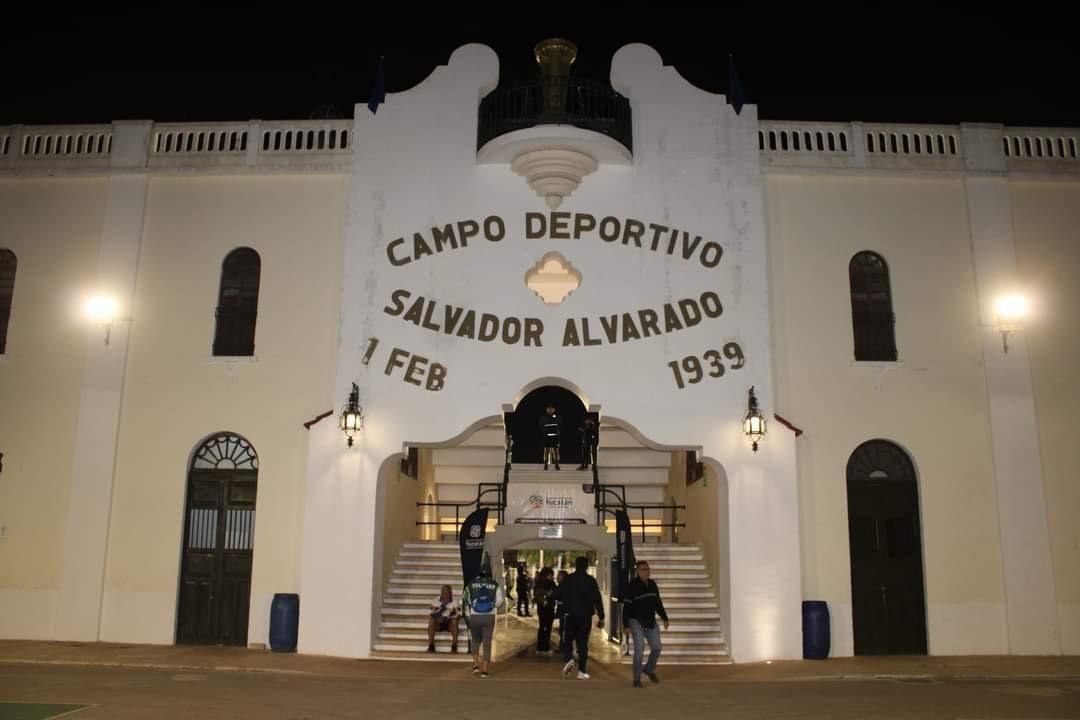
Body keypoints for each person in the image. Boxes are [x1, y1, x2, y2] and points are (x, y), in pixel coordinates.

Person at [554, 556, 605, 680]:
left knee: (568, 639)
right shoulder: (590, 580)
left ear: (576, 566)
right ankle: (581, 671)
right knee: (582, 643)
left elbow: (557, 594)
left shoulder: (568, 579)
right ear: (587, 566)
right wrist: (601, 616)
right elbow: (597, 599)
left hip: (569, 615)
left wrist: (564, 600)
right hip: (585, 616)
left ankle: (569, 660)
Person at [621, 560, 669, 688]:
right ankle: (637, 679)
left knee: (657, 647)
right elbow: (626, 607)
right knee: (640, 649)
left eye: (648, 569)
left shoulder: (653, 584)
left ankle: (648, 669)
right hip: (635, 620)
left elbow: (658, 603)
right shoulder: (632, 586)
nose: (647, 571)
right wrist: (625, 625)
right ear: (637, 571)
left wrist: (664, 617)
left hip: (650, 620)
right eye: (643, 569)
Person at [462, 565, 504, 678]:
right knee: (487, 643)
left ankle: (476, 665)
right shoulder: (495, 585)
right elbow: (500, 601)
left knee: (475, 640)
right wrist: (492, 606)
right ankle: (484, 670)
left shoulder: (471, 584)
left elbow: (465, 599)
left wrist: (469, 611)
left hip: (474, 616)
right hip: (489, 617)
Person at [426, 584, 460, 654]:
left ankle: (454, 646)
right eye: (444, 592)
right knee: (431, 620)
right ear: (441, 592)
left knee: (454, 621)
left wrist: (450, 615)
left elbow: (458, 614)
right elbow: (431, 613)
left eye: (447, 592)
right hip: (438, 622)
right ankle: (431, 645)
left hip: (449, 622)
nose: (445, 594)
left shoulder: (454, 601)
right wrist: (437, 614)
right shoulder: (436, 600)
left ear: (450, 592)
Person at [533, 567, 557, 652]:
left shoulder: (538, 583)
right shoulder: (551, 583)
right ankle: (546, 647)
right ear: (548, 574)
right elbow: (555, 594)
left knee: (542, 626)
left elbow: (536, 595)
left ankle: (539, 647)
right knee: (548, 627)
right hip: (549, 608)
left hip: (541, 607)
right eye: (551, 575)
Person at [539, 405, 561, 470]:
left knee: (556, 451)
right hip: (546, 436)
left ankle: (557, 465)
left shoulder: (557, 417)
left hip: (555, 436)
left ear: (554, 410)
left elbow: (561, 425)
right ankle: (545, 465)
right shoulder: (543, 417)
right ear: (546, 410)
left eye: (552, 409)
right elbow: (540, 426)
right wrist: (546, 429)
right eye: (549, 409)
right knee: (546, 450)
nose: (550, 410)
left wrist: (555, 428)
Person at [555, 569, 569, 654]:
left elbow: (557, 595)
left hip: (565, 611)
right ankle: (562, 646)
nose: (557, 577)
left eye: (559, 575)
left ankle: (564, 647)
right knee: (562, 629)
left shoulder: (564, 586)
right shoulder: (562, 585)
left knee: (564, 629)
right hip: (563, 610)